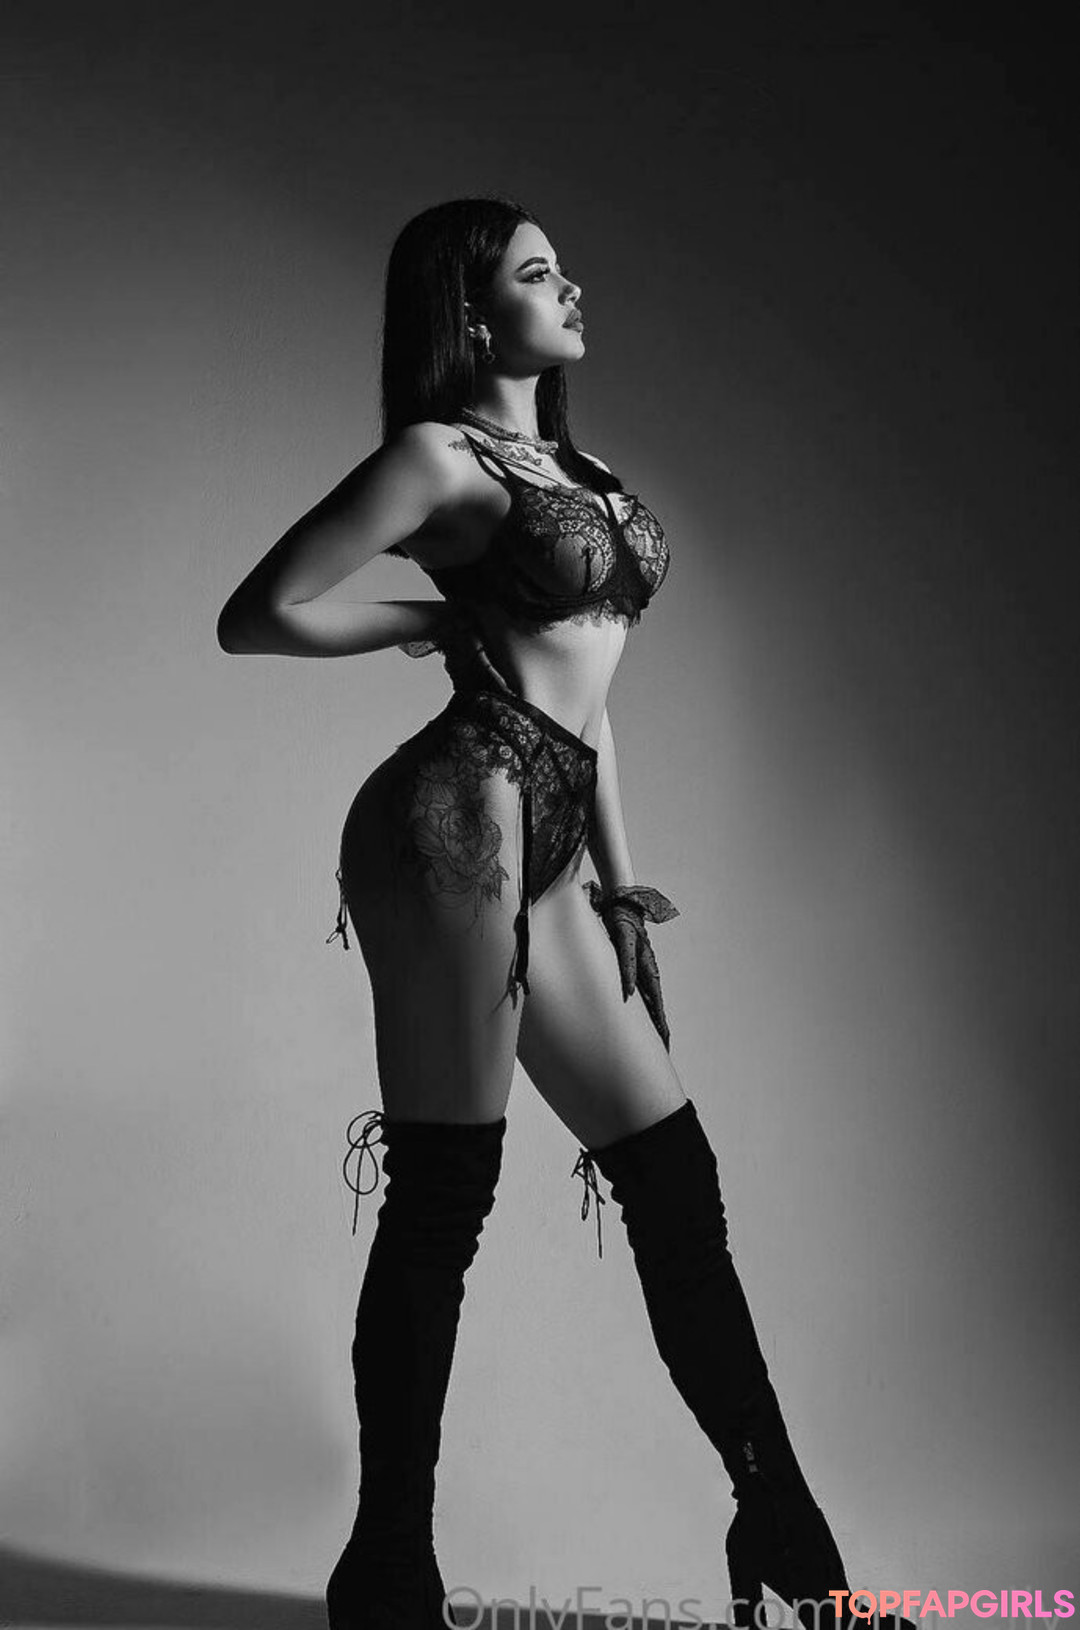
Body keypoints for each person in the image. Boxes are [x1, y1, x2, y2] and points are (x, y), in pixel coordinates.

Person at [217, 197, 913, 1630]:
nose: (572, 287)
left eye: (564, 268)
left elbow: (594, 700)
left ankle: (789, 1535)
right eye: (539, 275)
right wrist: (424, 622)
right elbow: (261, 610)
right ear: (473, 315)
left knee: (675, 1179)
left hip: (549, 822)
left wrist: (618, 885)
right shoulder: (439, 458)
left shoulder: (577, 470)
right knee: (446, 1193)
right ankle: (387, 1570)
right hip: (456, 816)